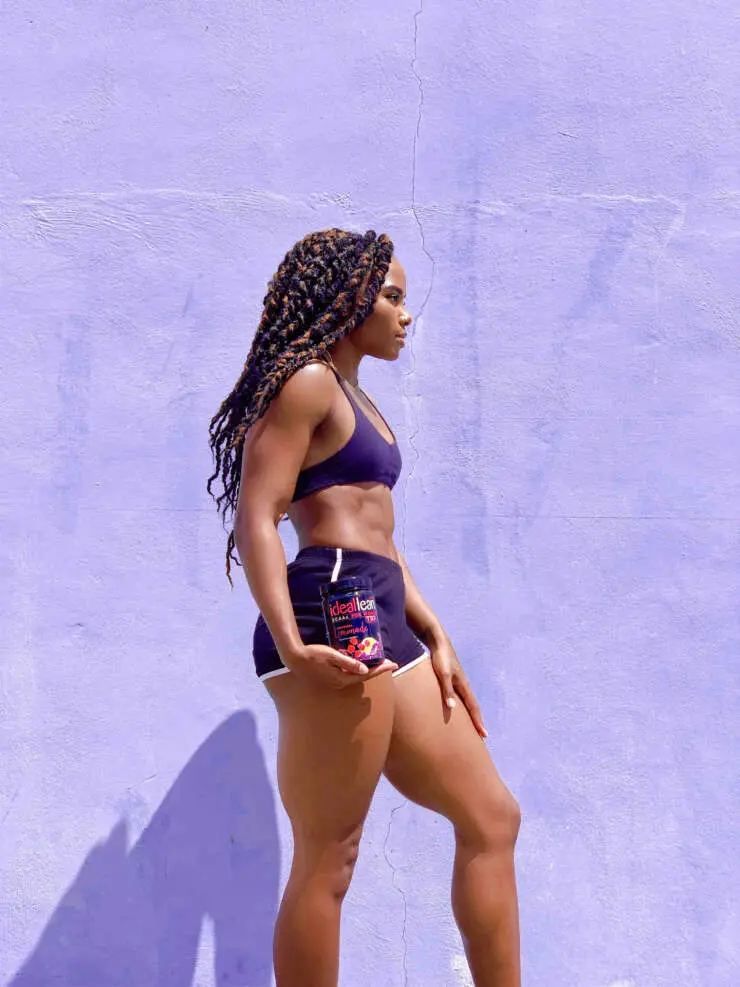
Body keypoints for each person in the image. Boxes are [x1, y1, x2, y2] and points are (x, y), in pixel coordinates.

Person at [207, 228, 521, 987]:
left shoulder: (358, 396)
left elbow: (378, 534)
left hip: (379, 601)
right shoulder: (308, 382)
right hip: (329, 609)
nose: (405, 315)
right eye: (391, 296)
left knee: (492, 817)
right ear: (347, 299)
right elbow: (258, 515)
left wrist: (433, 630)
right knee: (331, 854)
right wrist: (290, 641)